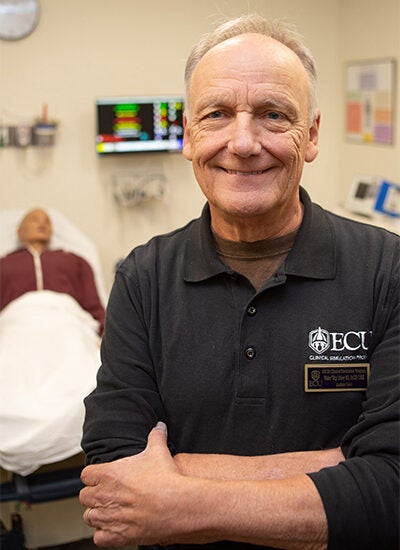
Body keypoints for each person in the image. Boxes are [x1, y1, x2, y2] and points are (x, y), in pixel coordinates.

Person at [79, 14, 399, 550]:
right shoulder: (142, 278)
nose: (243, 142)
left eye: (274, 115)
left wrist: (177, 491)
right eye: (217, 114)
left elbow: (393, 488)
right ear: (188, 134)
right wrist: (338, 466)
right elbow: (114, 470)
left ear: (312, 134)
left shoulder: (387, 271)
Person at [0, 208, 105, 333]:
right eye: (34, 220)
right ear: (19, 231)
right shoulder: (3, 264)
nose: (42, 224)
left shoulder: (76, 262)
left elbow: (94, 306)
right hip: (15, 324)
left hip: (69, 323)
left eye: (47, 221)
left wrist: (103, 332)